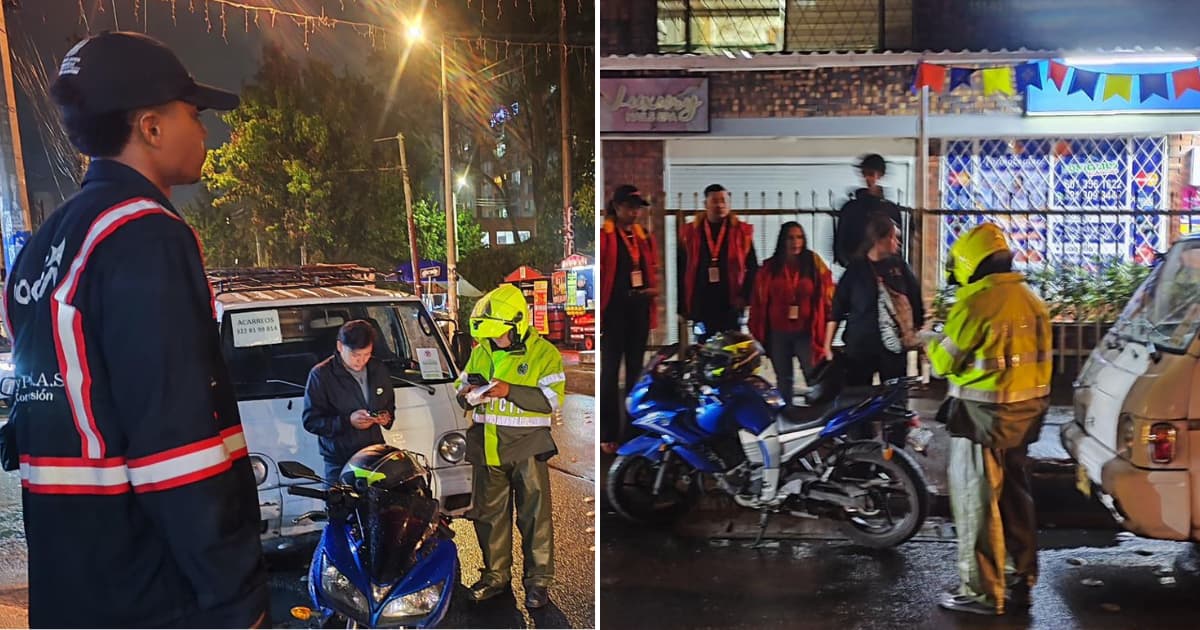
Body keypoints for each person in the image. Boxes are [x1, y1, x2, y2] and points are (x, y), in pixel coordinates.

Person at [0, 32, 267, 627]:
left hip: (71, 581)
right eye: (194, 115)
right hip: (154, 592)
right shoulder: (143, 234)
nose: (204, 131)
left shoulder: (42, 249)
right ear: (150, 127)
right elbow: (175, 443)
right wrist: (235, 595)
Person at [927, 222, 1052, 616]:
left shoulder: (974, 305)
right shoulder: (1032, 301)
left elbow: (944, 362)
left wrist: (932, 338)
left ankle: (981, 592)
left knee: (976, 504)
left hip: (980, 420)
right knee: (1016, 499)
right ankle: (1020, 579)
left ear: (970, 264)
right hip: (1025, 417)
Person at [456, 284, 565, 610]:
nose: (494, 340)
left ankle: (538, 582)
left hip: (527, 449)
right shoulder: (482, 350)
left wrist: (509, 391)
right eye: (490, 336)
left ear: (517, 325)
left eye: (499, 334)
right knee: (489, 518)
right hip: (487, 448)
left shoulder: (545, 353)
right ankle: (495, 577)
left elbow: (550, 401)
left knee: (534, 518)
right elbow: (461, 388)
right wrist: (468, 393)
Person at [825, 213, 924, 390]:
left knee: (894, 396)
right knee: (858, 395)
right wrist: (827, 346)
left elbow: (915, 301)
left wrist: (914, 333)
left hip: (893, 347)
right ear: (879, 239)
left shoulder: (899, 267)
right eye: (893, 237)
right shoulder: (855, 270)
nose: (897, 242)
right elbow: (837, 309)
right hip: (860, 347)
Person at [599, 185, 659, 455]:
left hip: (639, 312)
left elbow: (650, 269)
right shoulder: (606, 236)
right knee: (610, 373)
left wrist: (650, 292)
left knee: (636, 372)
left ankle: (633, 431)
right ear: (617, 207)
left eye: (637, 208)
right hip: (614, 312)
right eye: (629, 207)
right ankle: (608, 432)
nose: (634, 212)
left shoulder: (643, 236)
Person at [748, 221, 834, 406]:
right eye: (790, 238)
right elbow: (758, 299)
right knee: (783, 378)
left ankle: (821, 412)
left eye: (799, 237)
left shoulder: (814, 263)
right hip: (778, 332)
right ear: (782, 240)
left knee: (814, 375)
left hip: (806, 331)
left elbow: (828, 292)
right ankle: (786, 416)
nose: (795, 242)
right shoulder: (770, 267)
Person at [302, 319, 397, 481]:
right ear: (340, 346)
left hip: (374, 455)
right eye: (355, 355)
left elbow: (389, 404)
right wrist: (348, 421)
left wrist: (386, 417)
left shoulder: (378, 369)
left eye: (367, 354)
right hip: (339, 459)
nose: (361, 360)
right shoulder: (321, 375)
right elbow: (311, 421)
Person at [678, 183, 758, 342]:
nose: (720, 205)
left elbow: (753, 267)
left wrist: (745, 297)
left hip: (731, 303)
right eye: (714, 201)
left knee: (731, 346)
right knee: (703, 345)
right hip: (701, 303)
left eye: (723, 200)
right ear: (705, 204)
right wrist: (682, 306)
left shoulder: (741, 232)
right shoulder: (691, 233)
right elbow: (681, 270)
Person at [834, 153, 904, 267]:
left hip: (883, 268)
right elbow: (839, 244)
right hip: (857, 268)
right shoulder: (851, 208)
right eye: (864, 173)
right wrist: (850, 265)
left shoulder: (890, 210)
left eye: (871, 174)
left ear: (880, 175)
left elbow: (897, 246)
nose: (868, 178)